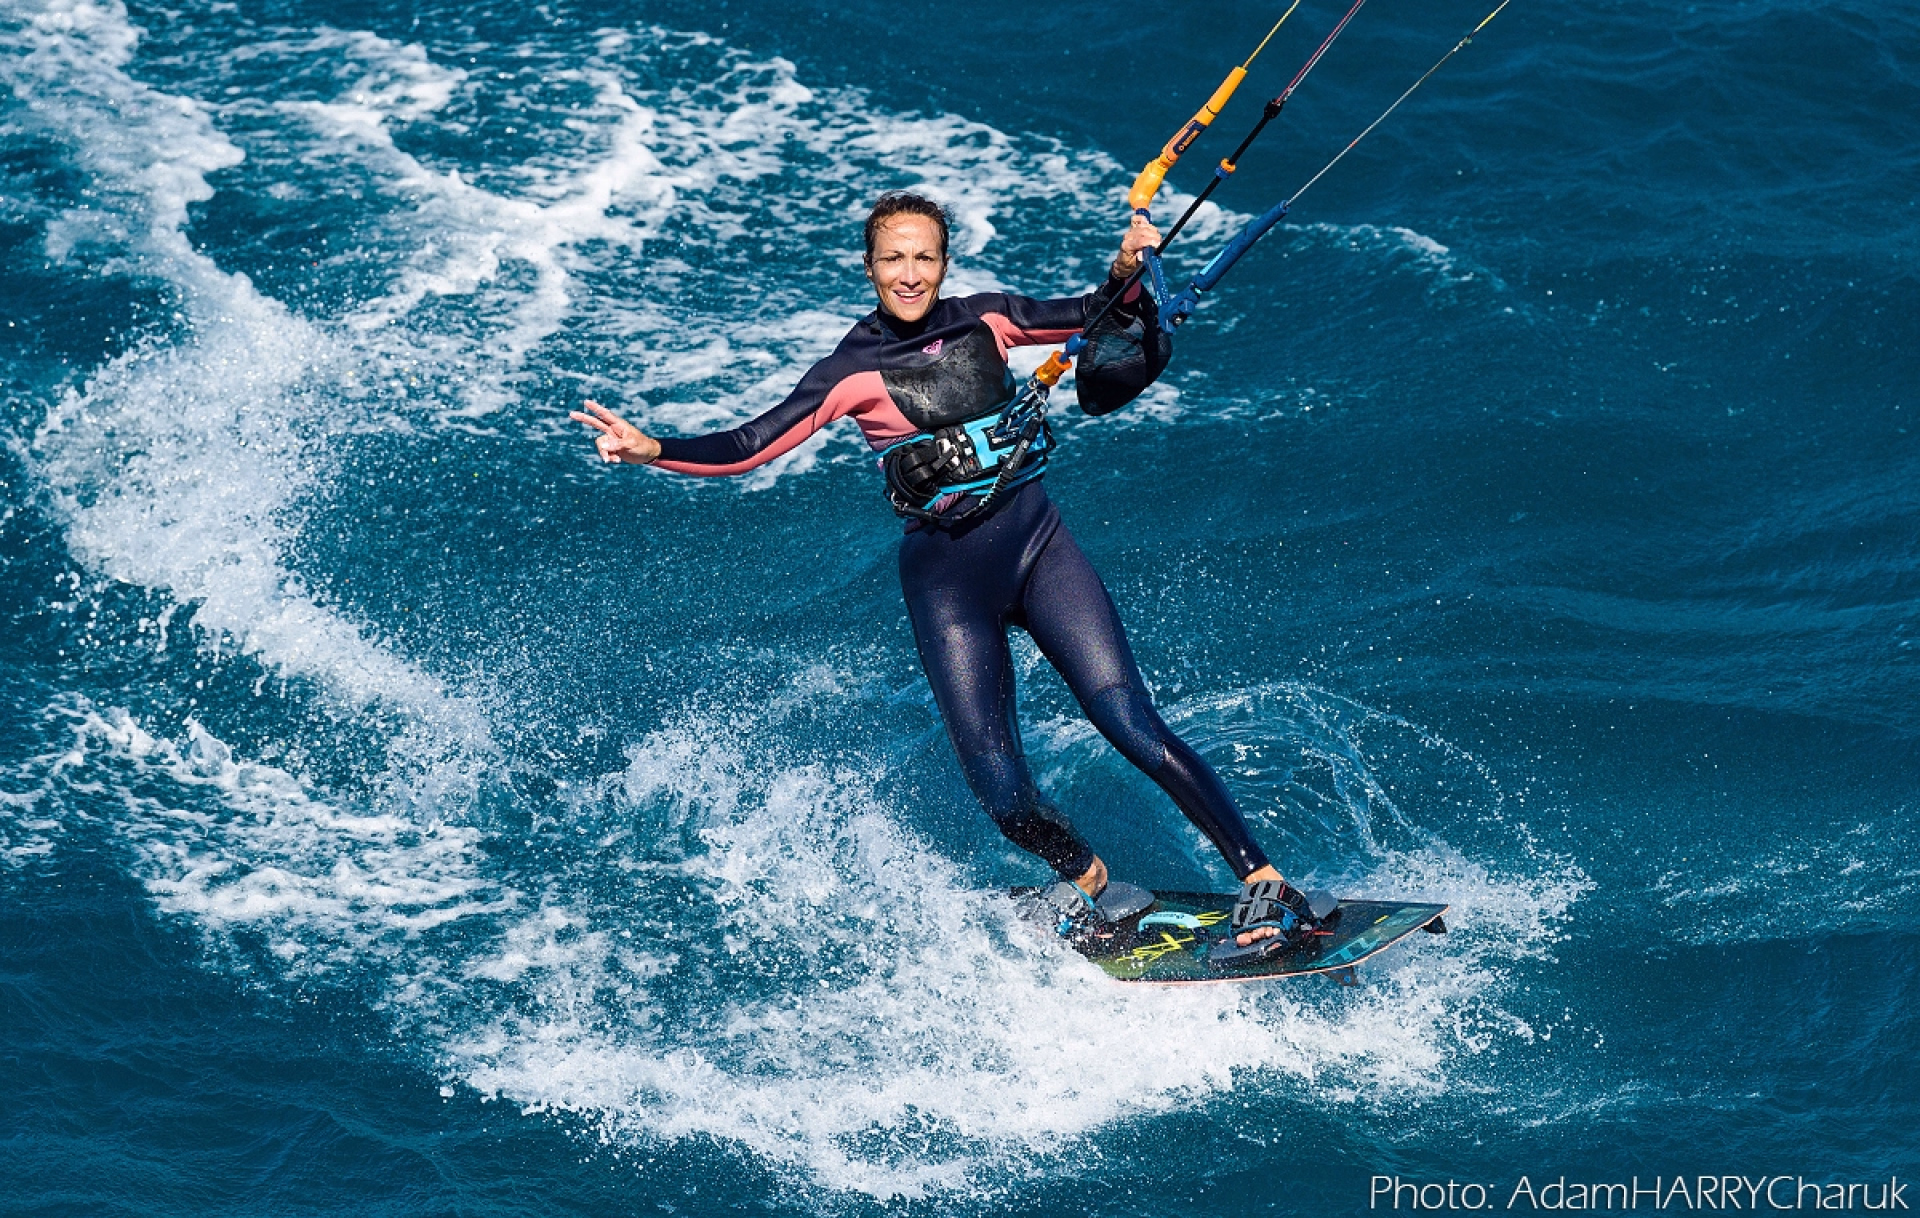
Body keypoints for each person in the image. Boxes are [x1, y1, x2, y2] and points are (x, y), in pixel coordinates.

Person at [572, 191, 1319, 955]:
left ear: (943, 262)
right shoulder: (849, 370)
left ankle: (1262, 878)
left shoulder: (986, 318)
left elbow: (1095, 311)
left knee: (1128, 720)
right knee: (1001, 792)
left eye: (923, 256)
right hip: (947, 582)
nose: (908, 273)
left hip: (1038, 545)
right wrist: (653, 448)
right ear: (869, 268)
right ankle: (1093, 883)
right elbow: (749, 444)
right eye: (892, 257)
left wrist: (1128, 266)